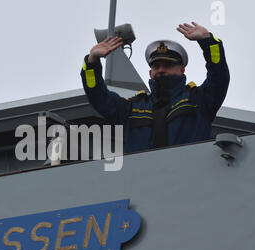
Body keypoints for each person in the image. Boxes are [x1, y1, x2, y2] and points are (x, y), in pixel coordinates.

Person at [81, 22, 230, 153]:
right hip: (142, 181)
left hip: (190, 178)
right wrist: (92, 61)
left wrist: (208, 41)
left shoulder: (198, 99)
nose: (161, 70)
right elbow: (98, 97)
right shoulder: (131, 107)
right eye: (156, 66)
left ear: (182, 70)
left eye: (168, 65)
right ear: (150, 72)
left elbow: (219, 76)